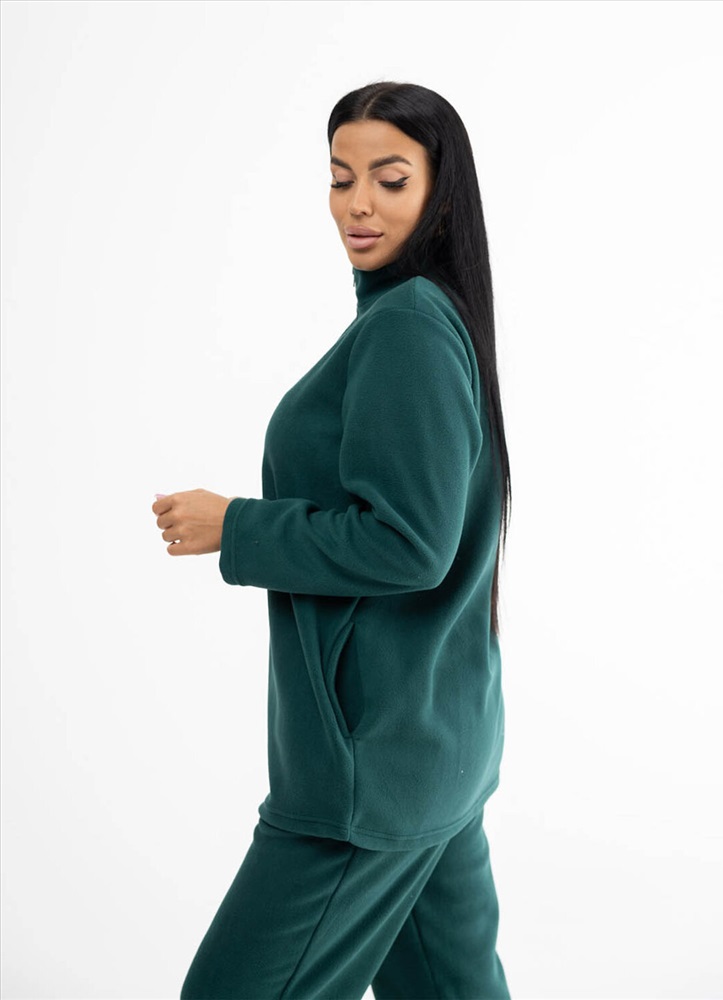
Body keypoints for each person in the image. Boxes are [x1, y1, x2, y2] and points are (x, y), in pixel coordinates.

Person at [152, 81, 513, 1000]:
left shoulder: (408, 328)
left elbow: (411, 544)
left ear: (440, 192)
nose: (359, 205)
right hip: (433, 747)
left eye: (390, 180)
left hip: (368, 770)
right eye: (340, 178)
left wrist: (236, 526)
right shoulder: (426, 315)